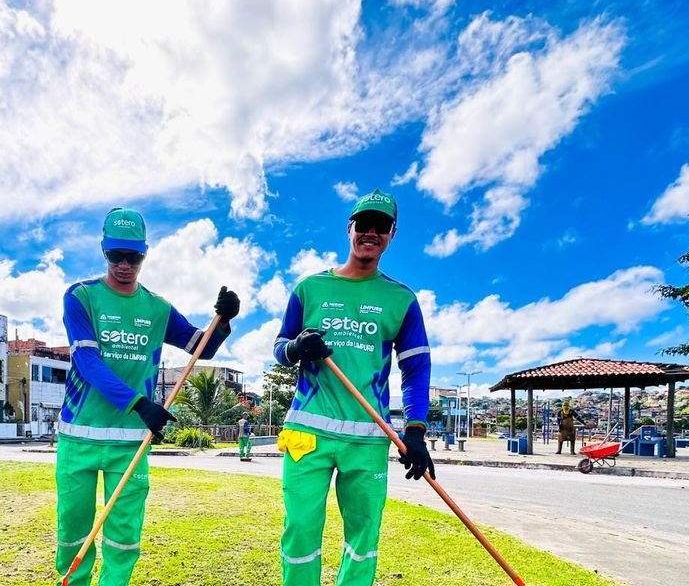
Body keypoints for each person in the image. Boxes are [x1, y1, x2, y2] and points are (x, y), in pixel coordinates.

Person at [56, 207, 241, 586]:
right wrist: (139, 404)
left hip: (131, 443)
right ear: (104, 251)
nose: (124, 265)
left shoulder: (157, 308)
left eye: (133, 257)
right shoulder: (81, 296)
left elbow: (199, 348)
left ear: (144, 254)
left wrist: (222, 323)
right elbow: (87, 362)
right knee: (73, 529)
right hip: (79, 435)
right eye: (116, 256)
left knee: (124, 536)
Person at [272, 189, 432, 586]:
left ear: (392, 234)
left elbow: (416, 369)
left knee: (364, 539)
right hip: (308, 433)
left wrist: (415, 430)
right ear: (350, 229)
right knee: (301, 533)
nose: (371, 233)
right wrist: (295, 348)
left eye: (382, 226)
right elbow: (279, 348)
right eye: (364, 224)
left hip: (368, 439)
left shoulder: (401, 299)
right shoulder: (309, 289)